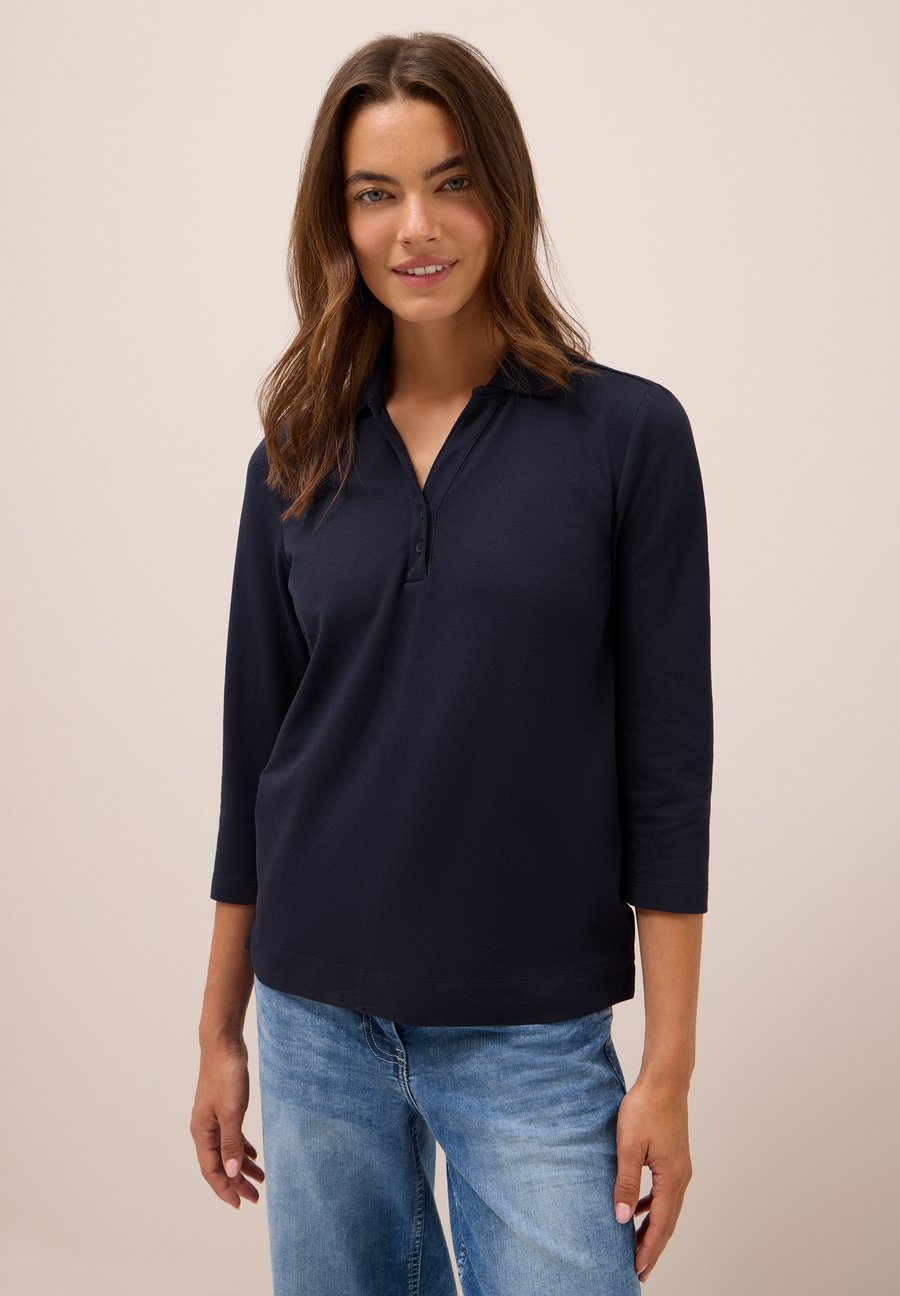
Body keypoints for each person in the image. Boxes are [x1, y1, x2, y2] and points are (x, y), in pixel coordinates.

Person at [190, 30, 713, 1296]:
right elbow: (255, 757)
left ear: (505, 196)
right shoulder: (293, 458)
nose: (415, 227)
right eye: (376, 192)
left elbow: (667, 774)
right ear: (339, 220)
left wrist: (668, 1072)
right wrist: (218, 1032)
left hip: (529, 1034)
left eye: (452, 182)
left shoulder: (627, 437)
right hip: (313, 1020)